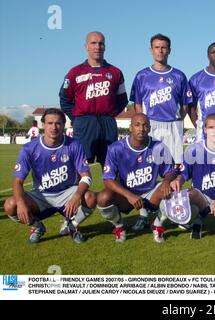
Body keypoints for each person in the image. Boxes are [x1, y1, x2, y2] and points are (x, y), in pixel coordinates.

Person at [4, 108, 96, 244]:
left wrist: (76, 196)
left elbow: (86, 176)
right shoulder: (29, 148)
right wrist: (21, 202)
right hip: (41, 196)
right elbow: (18, 181)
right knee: (10, 205)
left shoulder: (74, 144)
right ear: (43, 125)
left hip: (67, 193)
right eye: (50, 123)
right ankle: (37, 227)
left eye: (58, 123)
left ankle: (72, 225)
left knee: (91, 198)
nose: (54, 127)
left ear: (64, 125)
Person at [96, 113, 177, 243]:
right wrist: (129, 195)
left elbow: (171, 170)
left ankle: (157, 224)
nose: (141, 129)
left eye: (145, 125)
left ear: (149, 129)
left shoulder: (158, 147)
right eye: (137, 125)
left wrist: (167, 181)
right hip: (126, 195)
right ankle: (119, 226)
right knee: (103, 198)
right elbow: (107, 179)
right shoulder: (116, 148)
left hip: (150, 192)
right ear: (130, 128)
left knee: (172, 190)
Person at [59, 31, 128, 166]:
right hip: (84, 124)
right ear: (86, 46)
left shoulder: (115, 72)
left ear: (105, 47)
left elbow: (122, 100)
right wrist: (78, 118)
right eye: (93, 43)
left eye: (101, 43)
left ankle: (111, 188)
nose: (97, 47)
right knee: (82, 164)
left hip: (108, 123)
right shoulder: (75, 72)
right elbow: (64, 99)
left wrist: (110, 114)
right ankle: (80, 188)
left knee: (111, 164)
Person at [130, 34, 192, 165]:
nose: (160, 50)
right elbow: (137, 105)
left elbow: (185, 106)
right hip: (150, 124)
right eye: (157, 47)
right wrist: (144, 122)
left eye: (164, 47)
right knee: (148, 164)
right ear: (151, 50)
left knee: (175, 165)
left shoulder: (179, 76)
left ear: (169, 50)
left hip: (173, 124)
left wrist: (177, 120)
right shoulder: (141, 76)